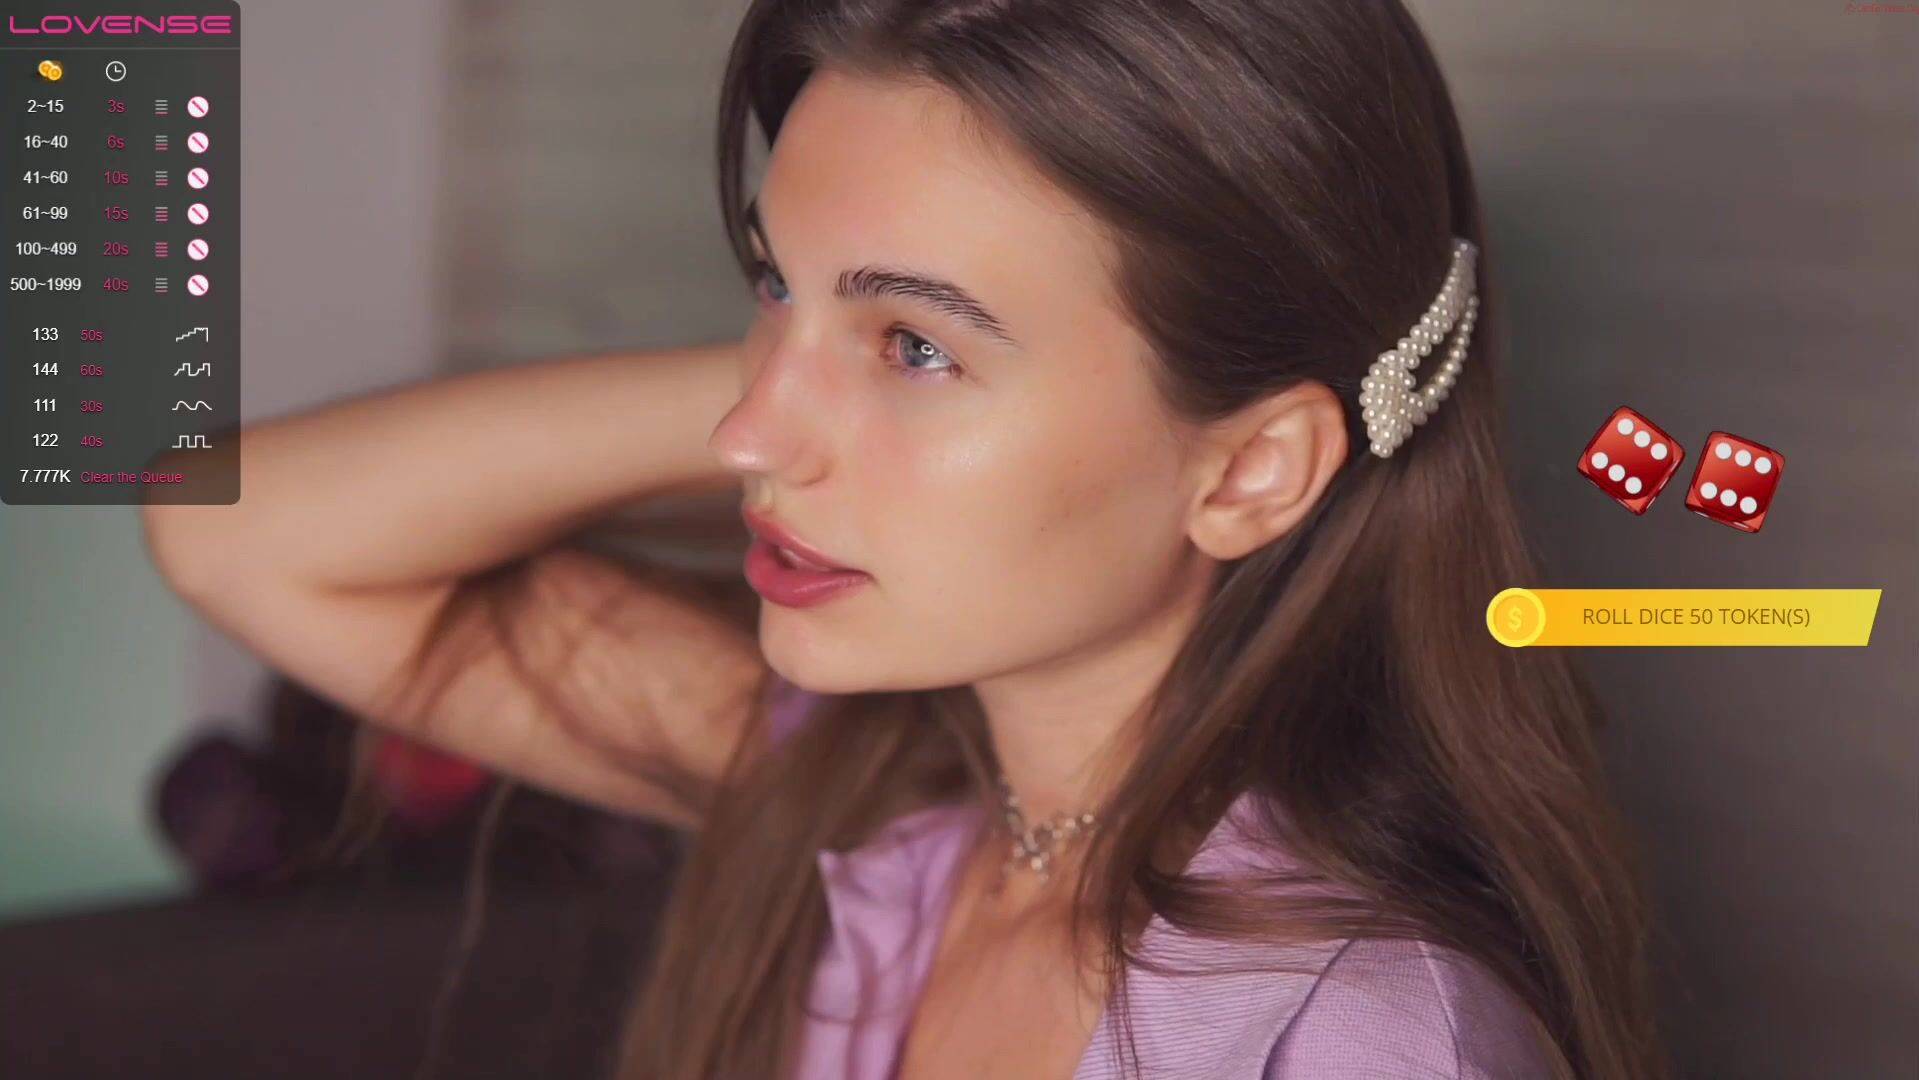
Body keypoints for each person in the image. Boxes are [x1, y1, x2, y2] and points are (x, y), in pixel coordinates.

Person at [141, 1, 1670, 1077]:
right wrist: (847, 346)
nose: (745, 433)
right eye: (768, 282)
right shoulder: (869, 795)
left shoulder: (1361, 1038)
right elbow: (239, 528)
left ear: (1255, 469)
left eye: (921, 348)